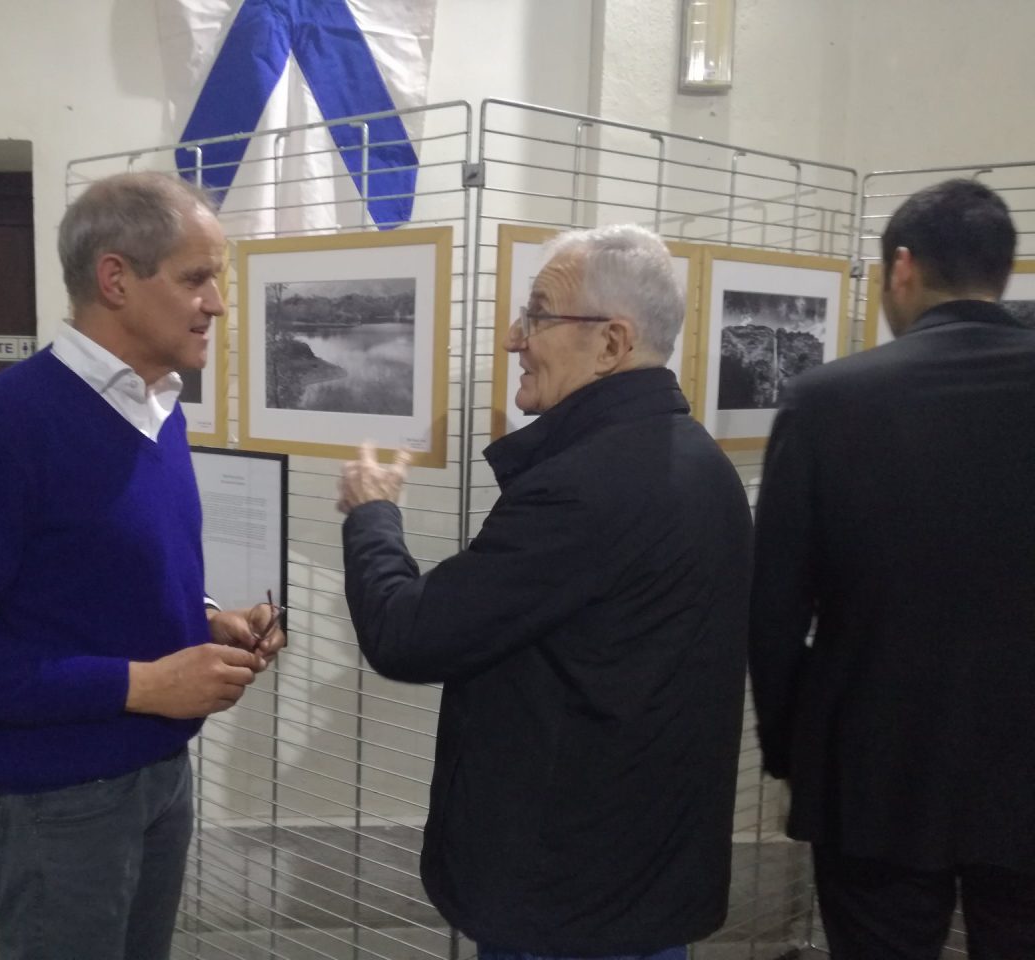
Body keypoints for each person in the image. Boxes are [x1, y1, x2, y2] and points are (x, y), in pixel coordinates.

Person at [0, 171, 285, 960]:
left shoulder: (157, 409)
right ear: (115, 279)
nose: (219, 303)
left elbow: (84, 573)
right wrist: (145, 685)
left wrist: (206, 620)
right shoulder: (1, 424)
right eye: (198, 278)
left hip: (160, 779)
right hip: (59, 807)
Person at [336, 225, 752, 959]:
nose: (510, 339)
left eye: (537, 315)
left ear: (612, 344)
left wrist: (373, 513)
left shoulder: (586, 486)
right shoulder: (702, 465)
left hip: (567, 903)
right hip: (642, 881)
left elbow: (408, 634)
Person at [749, 178, 1035, 960]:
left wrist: (789, 748)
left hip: (874, 771)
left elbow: (774, 613)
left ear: (900, 268)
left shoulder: (826, 401)